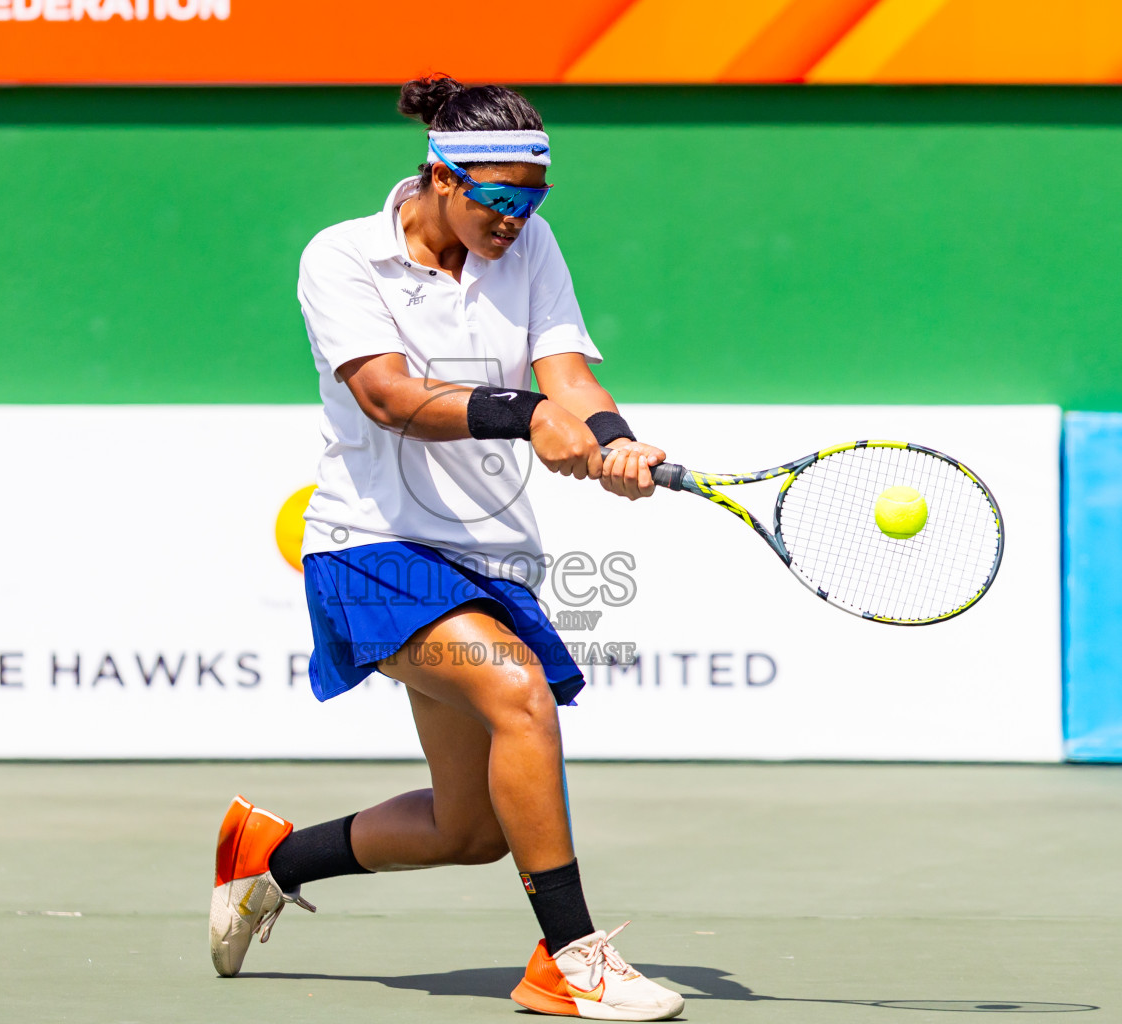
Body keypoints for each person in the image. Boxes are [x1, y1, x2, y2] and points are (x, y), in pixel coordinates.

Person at [208, 74, 684, 1022]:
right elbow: (388, 397)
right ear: (439, 176)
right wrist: (527, 416)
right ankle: (570, 958)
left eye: (532, 197)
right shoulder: (341, 256)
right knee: (519, 695)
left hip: (492, 556)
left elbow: (568, 372)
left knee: (468, 830)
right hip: (370, 544)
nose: (515, 217)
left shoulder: (530, 245)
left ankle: (269, 857)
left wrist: (614, 435)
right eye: (498, 198)